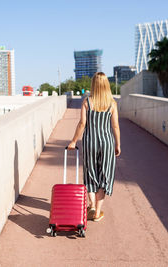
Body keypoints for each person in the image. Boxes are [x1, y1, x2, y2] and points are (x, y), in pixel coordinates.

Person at [68, 72, 121, 222]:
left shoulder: (87, 102)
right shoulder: (112, 103)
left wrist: (73, 141)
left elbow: (82, 124)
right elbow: (115, 126)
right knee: (104, 175)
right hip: (107, 142)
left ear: (93, 85)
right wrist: (118, 144)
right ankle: (97, 212)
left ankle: (91, 204)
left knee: (90, 172)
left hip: (90, 141)